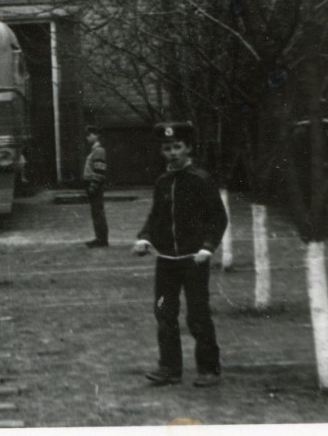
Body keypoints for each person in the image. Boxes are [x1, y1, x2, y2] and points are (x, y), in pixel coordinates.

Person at [132, 121, 228, 389]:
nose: (172, 152)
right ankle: (169, 368)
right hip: (166, 261)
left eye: (177, 147)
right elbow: (156, 217)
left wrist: (208, 247)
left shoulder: (200, 179)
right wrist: (144, 238)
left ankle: (209, 369)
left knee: (197, 315)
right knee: (164, 313)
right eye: (167, 148)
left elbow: (217, 218)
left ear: (188, 148)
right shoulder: (162, 182)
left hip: (193, 260)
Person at [83, 126, 110, 248]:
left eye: (89, 135)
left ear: (96, 135)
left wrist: (93, 186)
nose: (87, 137)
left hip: (95, 184)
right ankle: (100, 238)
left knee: (98, 212)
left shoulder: (98, 150)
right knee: (96, 212)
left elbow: (99, 170)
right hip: (93, 184)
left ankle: (102, 239)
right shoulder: (95, 150)